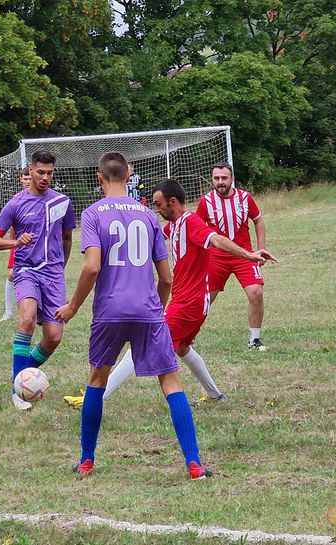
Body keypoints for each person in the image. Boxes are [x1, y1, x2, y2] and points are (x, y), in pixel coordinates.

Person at [55, 152, 212, 480]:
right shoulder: (149, 216)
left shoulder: (94, 214)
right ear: (129, 175)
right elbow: (166, 278)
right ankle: (194, 464)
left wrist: (72, 306)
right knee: (170, 382)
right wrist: (156, 306)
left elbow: (93, 266)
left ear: (99, 178)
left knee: (97, 380)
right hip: (148, 310)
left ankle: (86, 461)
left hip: (110, 311)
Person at [64, 179, 275, 408]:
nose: (156, 210)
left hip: (188, 304)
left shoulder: (190, 221)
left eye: (158, 204)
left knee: (140, 346)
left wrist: (249, 254)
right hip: (190, 302)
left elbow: (216, 240)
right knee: (183, 348)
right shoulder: (173, 225)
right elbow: (148, 235)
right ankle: (215, 395)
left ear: (172, 202)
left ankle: (93, 399)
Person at [0, 150, 75, 411]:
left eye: (49, 173)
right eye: (40, 172)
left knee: (54, 337)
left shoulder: (62, 202)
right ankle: (18, 388)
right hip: (26, 271)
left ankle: (25, 376)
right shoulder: (16, 204)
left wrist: (60, 268)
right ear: (31, 172)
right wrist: (16, 241)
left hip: (54, 275)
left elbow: (68, 238)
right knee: (26, 319)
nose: (45, 177)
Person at [196, 163, 273, 350]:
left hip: (245, 256)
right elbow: (197, 229)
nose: (220, 182)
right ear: (212, 179)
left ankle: (254, 339)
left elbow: (258, 220)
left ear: (232, 179)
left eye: (224, 178)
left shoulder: (245, 198)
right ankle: (188, 337)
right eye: (216, 178)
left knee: (256, 293)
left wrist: (260, 249)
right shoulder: (206, 202)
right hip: (216, 258)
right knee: (204, 299)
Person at [0, 167, 33, 322]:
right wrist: (14, 244)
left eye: (29, 178)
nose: (27, 181)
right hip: (19, 244)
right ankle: (8, 312)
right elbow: (12, 226)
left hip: (36, 246)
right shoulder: (16, 200)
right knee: (12, 274)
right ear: (21, 179)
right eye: (25, 178)